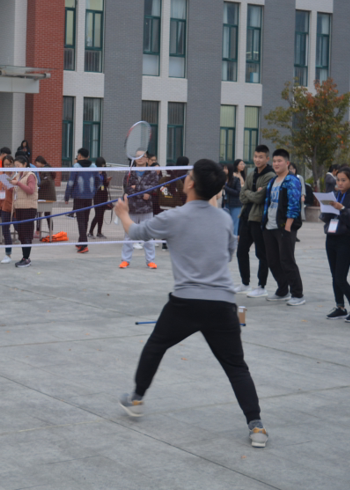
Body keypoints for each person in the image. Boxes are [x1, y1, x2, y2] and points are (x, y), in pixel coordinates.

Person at [115, 159, 268, 448]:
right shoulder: (224, 219)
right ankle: (256, 426)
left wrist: (123, 213)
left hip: (185, 303)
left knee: (155, 346)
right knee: (236, 367)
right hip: (223, 304)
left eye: (188, 175)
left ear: (190, 184)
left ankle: (136, 399)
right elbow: (228, 254)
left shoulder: (174, 217)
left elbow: (135, 233)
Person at [319, 167, 350, 322]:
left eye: (343, 180)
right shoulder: (335, 194)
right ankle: (340, 307)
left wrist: (343, 208)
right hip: (331, 237)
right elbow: (325, 217)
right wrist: (326, 208)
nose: (340, 183)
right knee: (334, 276)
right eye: (338, 180)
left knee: (340, 277)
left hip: (345, 239)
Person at [260, 149, 304, 305]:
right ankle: (283, 290)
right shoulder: (273, 181)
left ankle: (297, 294)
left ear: (287, 163)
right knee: (272, 260)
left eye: (279, 161)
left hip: (284, 227)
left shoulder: (292, 180)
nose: (276, 164)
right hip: (269, 226)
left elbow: (294, 205)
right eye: (274, 161)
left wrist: (288, 227)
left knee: (287, 260)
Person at [236, 145, 275, 297]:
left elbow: (260, 198)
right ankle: (245, 283)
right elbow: (242, 196)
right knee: (241, 251)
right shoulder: (251, 174)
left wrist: (248, 193)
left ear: (267, 158)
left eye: (261, 157)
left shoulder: (270, 176)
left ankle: (261, 286)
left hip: (258, 219)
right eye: (255, 156)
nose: (257, 160)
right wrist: (250, 193)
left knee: (261, 253)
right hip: (246, 217)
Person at [119, 150, 159, 269]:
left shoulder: (152, 172)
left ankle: (150, 261)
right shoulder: (129, 172)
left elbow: (154, 188)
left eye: (142, 156)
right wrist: (143, 193)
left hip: (147, 209)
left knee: (148, 236)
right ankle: (125, 260)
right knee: (128, 236)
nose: (140, 158)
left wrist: (137, 188)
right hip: (132, 208)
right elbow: (127, 189)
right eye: (137, 156)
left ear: (147, 159)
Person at [64, 148, 99, 254]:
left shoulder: (76, 166)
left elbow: (71, 182)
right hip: (89, 197)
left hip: (78, 197)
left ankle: (84, 245)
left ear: (79, 156)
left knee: (80, 221)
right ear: (88, 156)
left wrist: (67, 196)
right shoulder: (94, 167)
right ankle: (81, 241)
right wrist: (93, 191)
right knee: (85, 220)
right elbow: (98, 181)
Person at [11, 155, 38, 268]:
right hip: (19, 207)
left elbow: (31, 190)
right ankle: (24, 257)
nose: (17, 168)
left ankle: (26, 258)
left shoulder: (30, 175)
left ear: (25, 164)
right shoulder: (18, 175)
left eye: (18, 165)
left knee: (27, 233)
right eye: (15, 166)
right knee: (21, 233)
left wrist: (18, 183)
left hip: (29, 208)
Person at [89, 157, 112, 239]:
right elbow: (93, 184)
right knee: (98, 214)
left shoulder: (104, 173)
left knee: (102, 214)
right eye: (102, 165)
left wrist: (107, 181)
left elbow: (105, 184)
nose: (103, 166)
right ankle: (90, 232)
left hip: (104, 194)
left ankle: (99, 232)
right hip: (97, 195)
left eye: (104, 165)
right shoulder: (95, 173)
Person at [34, 156, 57, 237]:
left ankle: (39, 231)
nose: (36, 165)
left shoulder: (45, 169)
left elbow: (47, 180)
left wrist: (37, 184)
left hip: (46, 196)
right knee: (47, 214)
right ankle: (48, 231)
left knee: (41, 214)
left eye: (36, 163)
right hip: (47, 195)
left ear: (40, 162)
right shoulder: (47, 168)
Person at [223, 163, 242, 236]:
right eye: (223, 168)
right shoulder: (221, 179)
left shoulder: (235, 180)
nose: (224, 170)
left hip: (235, 204)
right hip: (225, 204)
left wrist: (225, 187)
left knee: (234, 224)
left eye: (225, 168)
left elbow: (238, 192)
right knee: (226, 223)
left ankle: (234, 240)